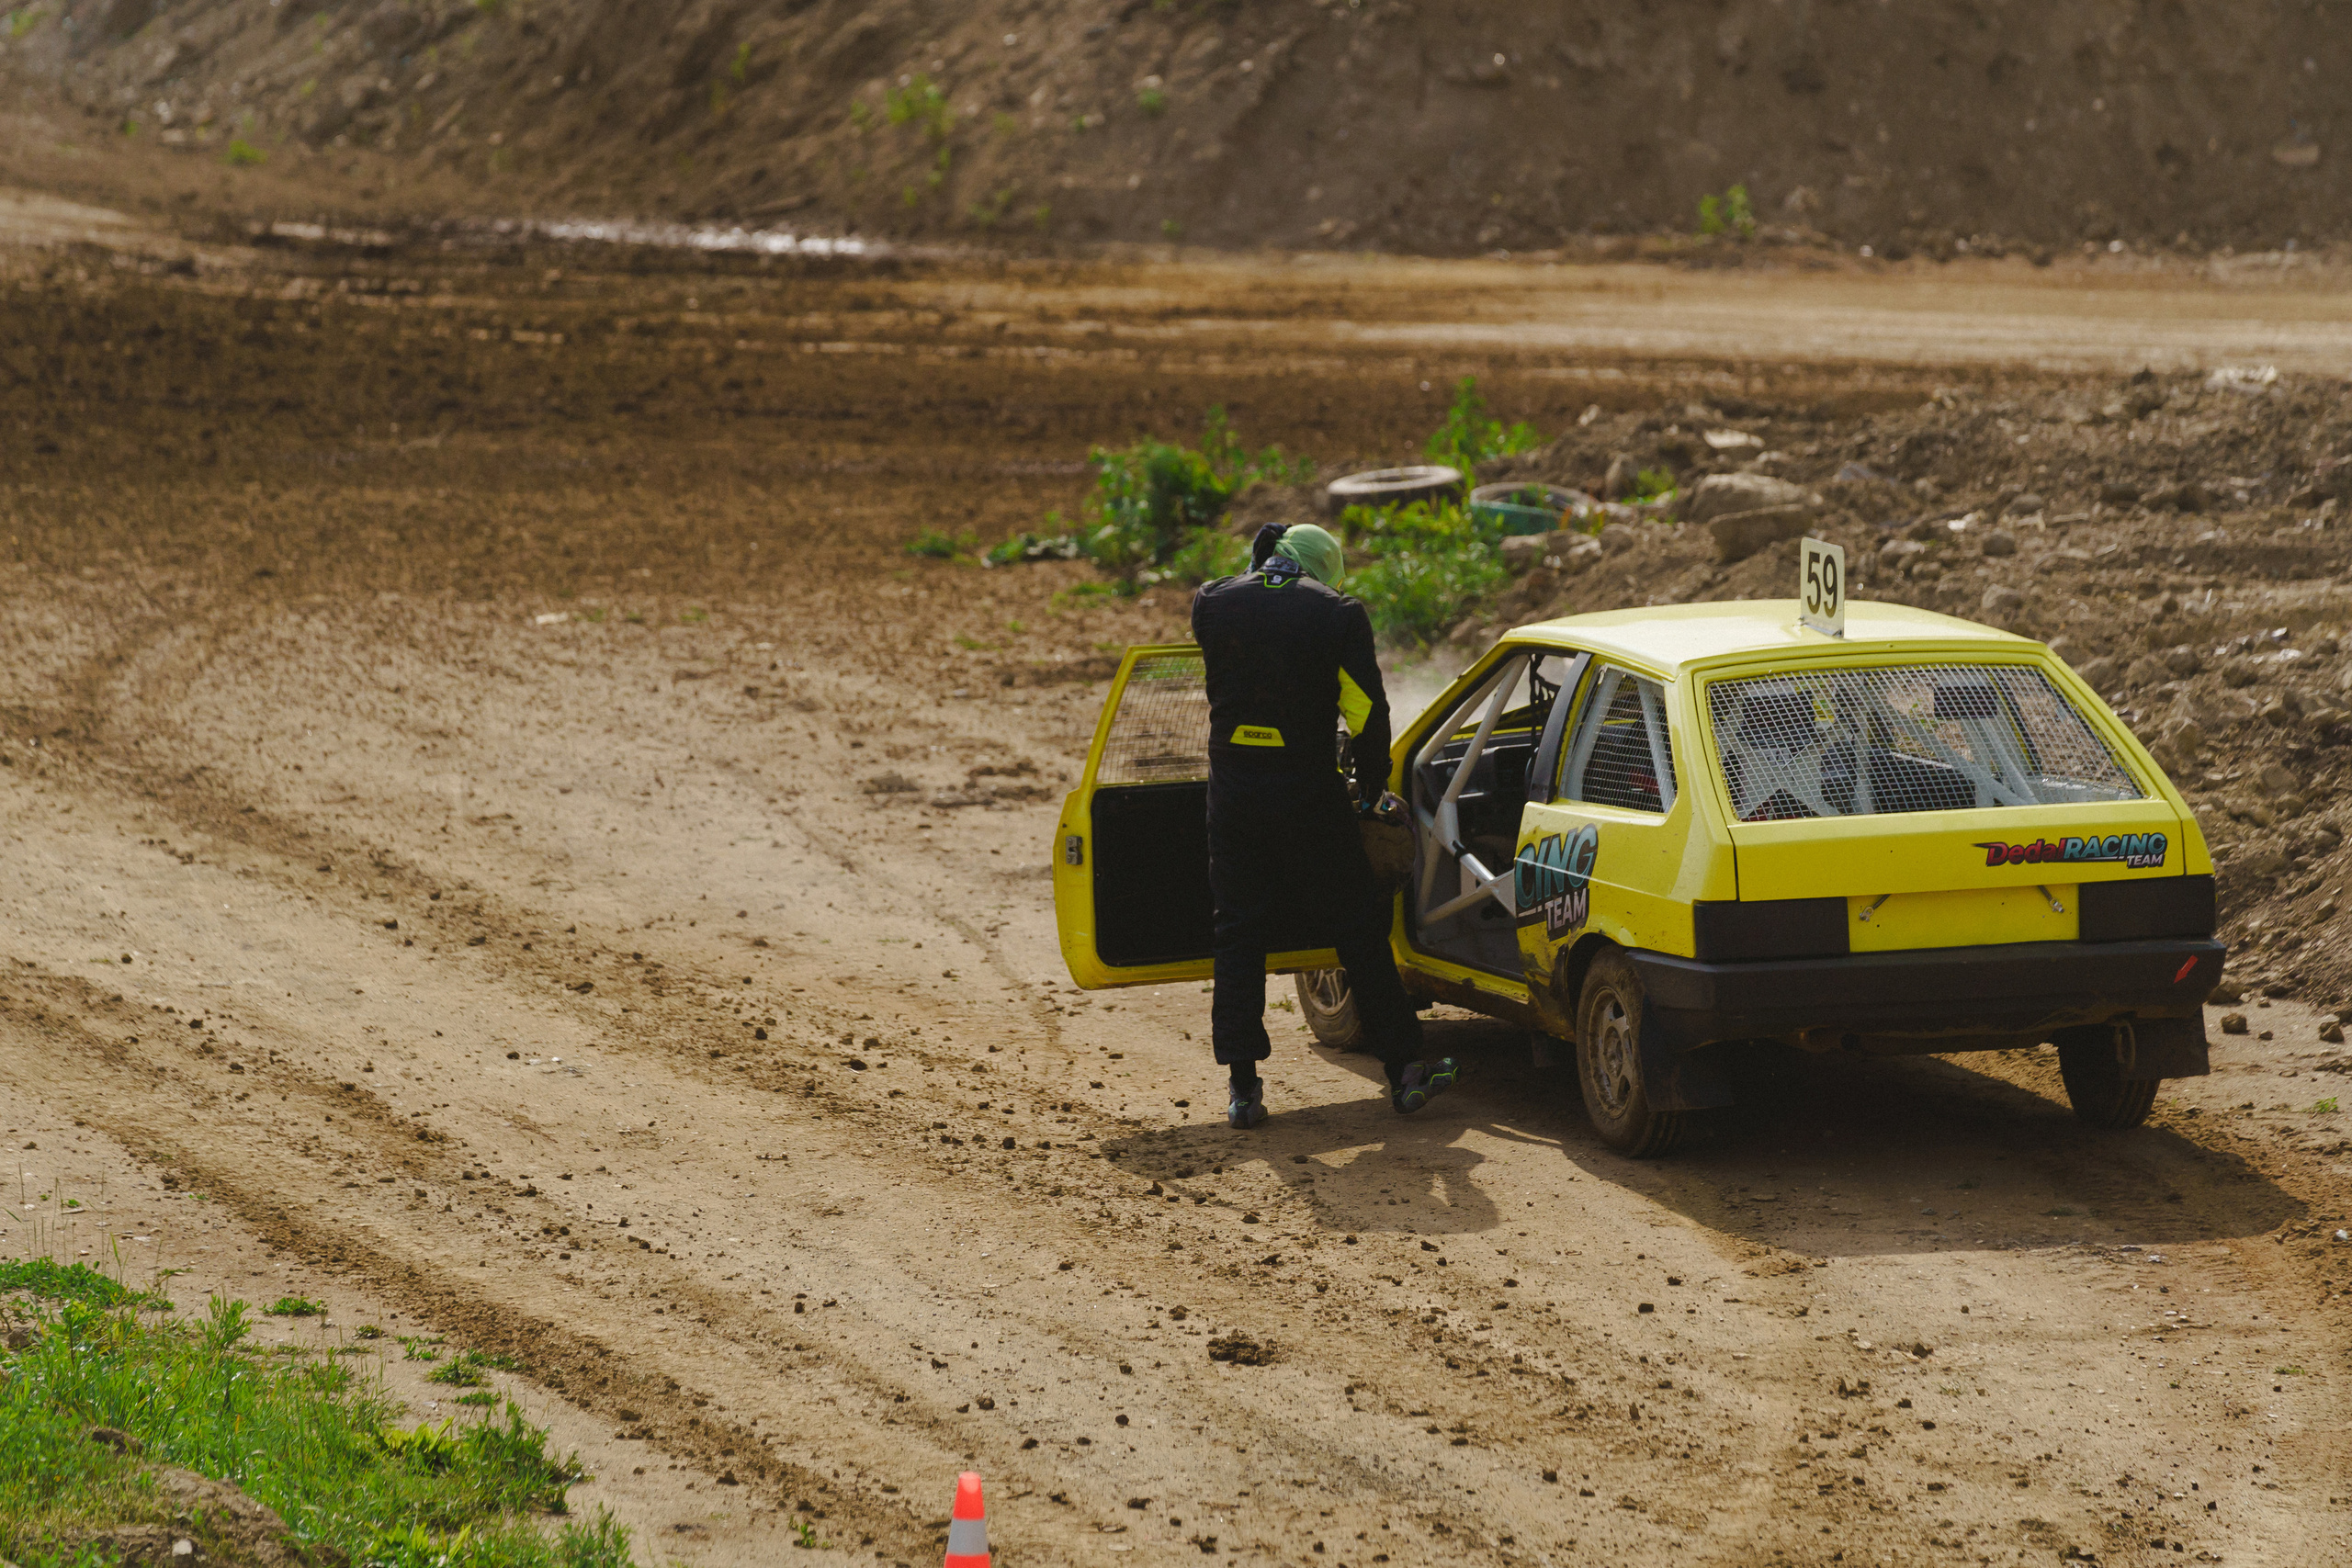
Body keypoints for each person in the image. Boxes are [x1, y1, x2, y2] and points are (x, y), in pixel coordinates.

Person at [1190, 521, 1456, 1128]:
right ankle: (1404, 1071)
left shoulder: (1211, 602)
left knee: (1238, 932)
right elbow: (1366, 712)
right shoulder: (1337, 614)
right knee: (1358, 927)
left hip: (1233, 796)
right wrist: (1372, 789)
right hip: (1307, 796)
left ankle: (1243, 1088)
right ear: (1323, 571)